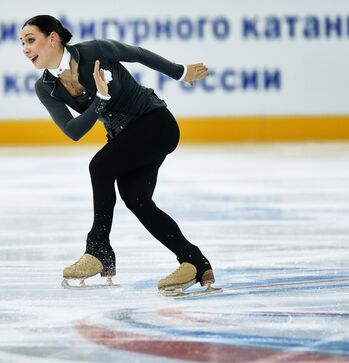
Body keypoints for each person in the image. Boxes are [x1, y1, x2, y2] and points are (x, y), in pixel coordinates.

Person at [20, 15, 215, 294]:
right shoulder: (46, 87)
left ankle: (99, 249)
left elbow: (137, 54)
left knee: (100, 167)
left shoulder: (94, 51)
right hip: (125, 137)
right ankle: (194, 261)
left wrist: (180, 72)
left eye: (30, 40)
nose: (25, 49)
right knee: (136, 199)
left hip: (155, 122)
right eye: (22, 43)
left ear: (53, 38)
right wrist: (101, 99)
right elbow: (74, 131)